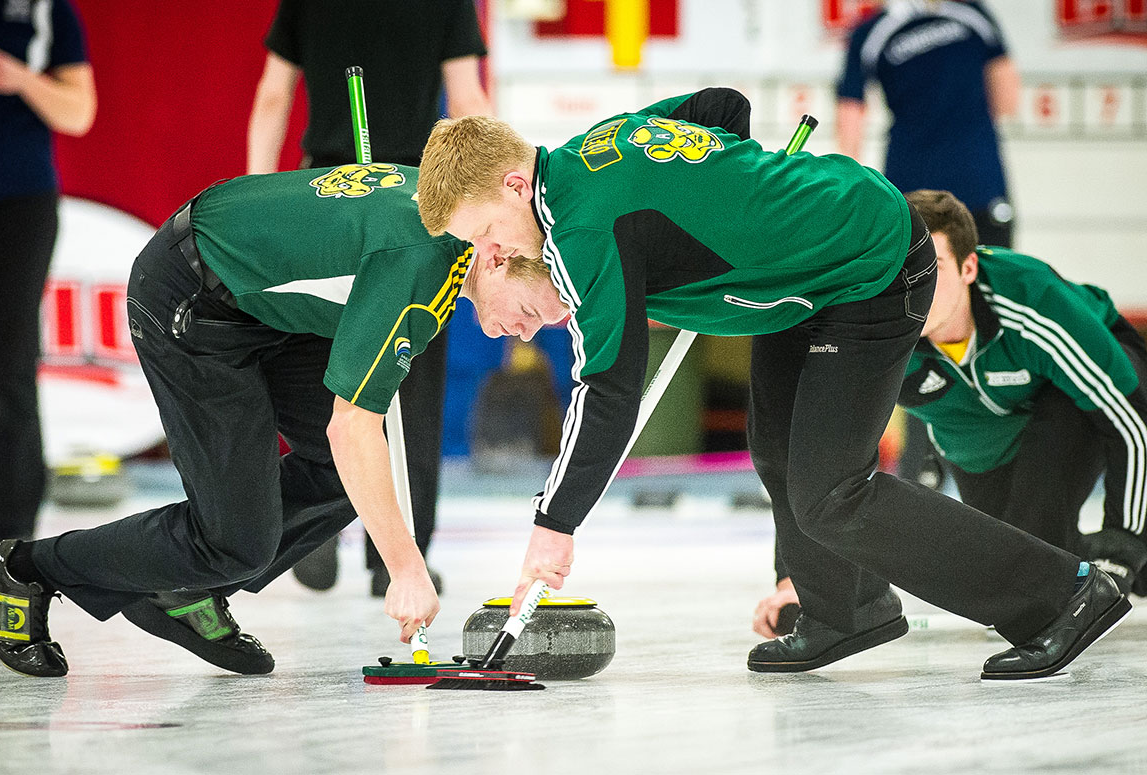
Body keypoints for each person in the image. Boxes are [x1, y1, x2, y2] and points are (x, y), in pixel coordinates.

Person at [415, 87, 1131, 681]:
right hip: (802, 281)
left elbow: (606, 389)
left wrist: (554, 523)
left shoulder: (581, 228)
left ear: (514, 184)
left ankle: (1062, 594)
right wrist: (739, 188)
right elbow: (723, 109)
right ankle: (846, 608)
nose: (493, 252)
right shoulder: (598, 145)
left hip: (867, 261)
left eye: (484, 234)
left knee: (834, 490)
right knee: (776, 448)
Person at [0, 161, 563, 677]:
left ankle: (189, 587)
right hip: (193, 293)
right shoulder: (419, 275)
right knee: (235, 540)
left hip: (263, 301)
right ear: (499, 258)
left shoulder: (452, 215)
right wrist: (406, 567)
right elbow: (351, 427)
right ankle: (19, 569)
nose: (526, 332)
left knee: (343, 475)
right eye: (531, 311)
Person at [753, 189, 1147, 638]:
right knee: (1013, 570)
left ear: (968, 268)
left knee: (1058, 562)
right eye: (900, 268)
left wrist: (1122, 545)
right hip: (978, 437)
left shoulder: (1029, 298)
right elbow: (814, 462)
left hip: (1071, 404)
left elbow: (1129, 418)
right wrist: (798, 580)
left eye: (931, 267)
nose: (913, 283)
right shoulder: (878, 327)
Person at [246, 0, 493, 594]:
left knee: (324, 374)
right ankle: (400, 557)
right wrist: (491, 199)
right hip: (419, 199)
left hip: (326, 199)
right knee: (411, 378)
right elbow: (467, 104)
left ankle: (315, 530)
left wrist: (257, 198)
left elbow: (272, 98)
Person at [836, 0, 1021, 488]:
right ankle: (990, 455)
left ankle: (926, 463)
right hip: (978, 188)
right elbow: (1007, 99)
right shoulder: (972, 17)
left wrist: (845, 201)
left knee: (918, 324)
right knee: (992, 315)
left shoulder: (875, 30)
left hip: (918, 197)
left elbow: (849, 122)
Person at [0, 0, 96, 544]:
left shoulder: (47, 10)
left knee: (15, 362)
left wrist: (20, 79)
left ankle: (9, 537)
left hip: (22, 202)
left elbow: (79, 113)